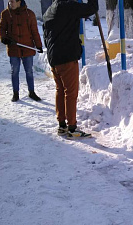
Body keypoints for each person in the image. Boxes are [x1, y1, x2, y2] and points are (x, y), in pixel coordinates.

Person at [42, 0, 99, 139]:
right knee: (71, 93)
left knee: (60, 90)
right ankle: (72, 128)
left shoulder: (49, 11)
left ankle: (62, 125)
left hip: (54, 58)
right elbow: (91, 8)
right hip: (67, 58)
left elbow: (45, 37)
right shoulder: (68, 6)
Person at [0, 0, 43, 102]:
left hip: (27, 47)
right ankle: (15, 93)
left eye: (13, 2)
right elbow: (1, 28)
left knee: (29, 71)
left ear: (19, 2)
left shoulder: (29, 14)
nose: (11, 4)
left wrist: (39, 45)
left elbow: (34, 31)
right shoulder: (5, 14)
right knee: (15, 71)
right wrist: (4, 38)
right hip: (13, 48)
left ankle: (31, 92)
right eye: (9, 2)